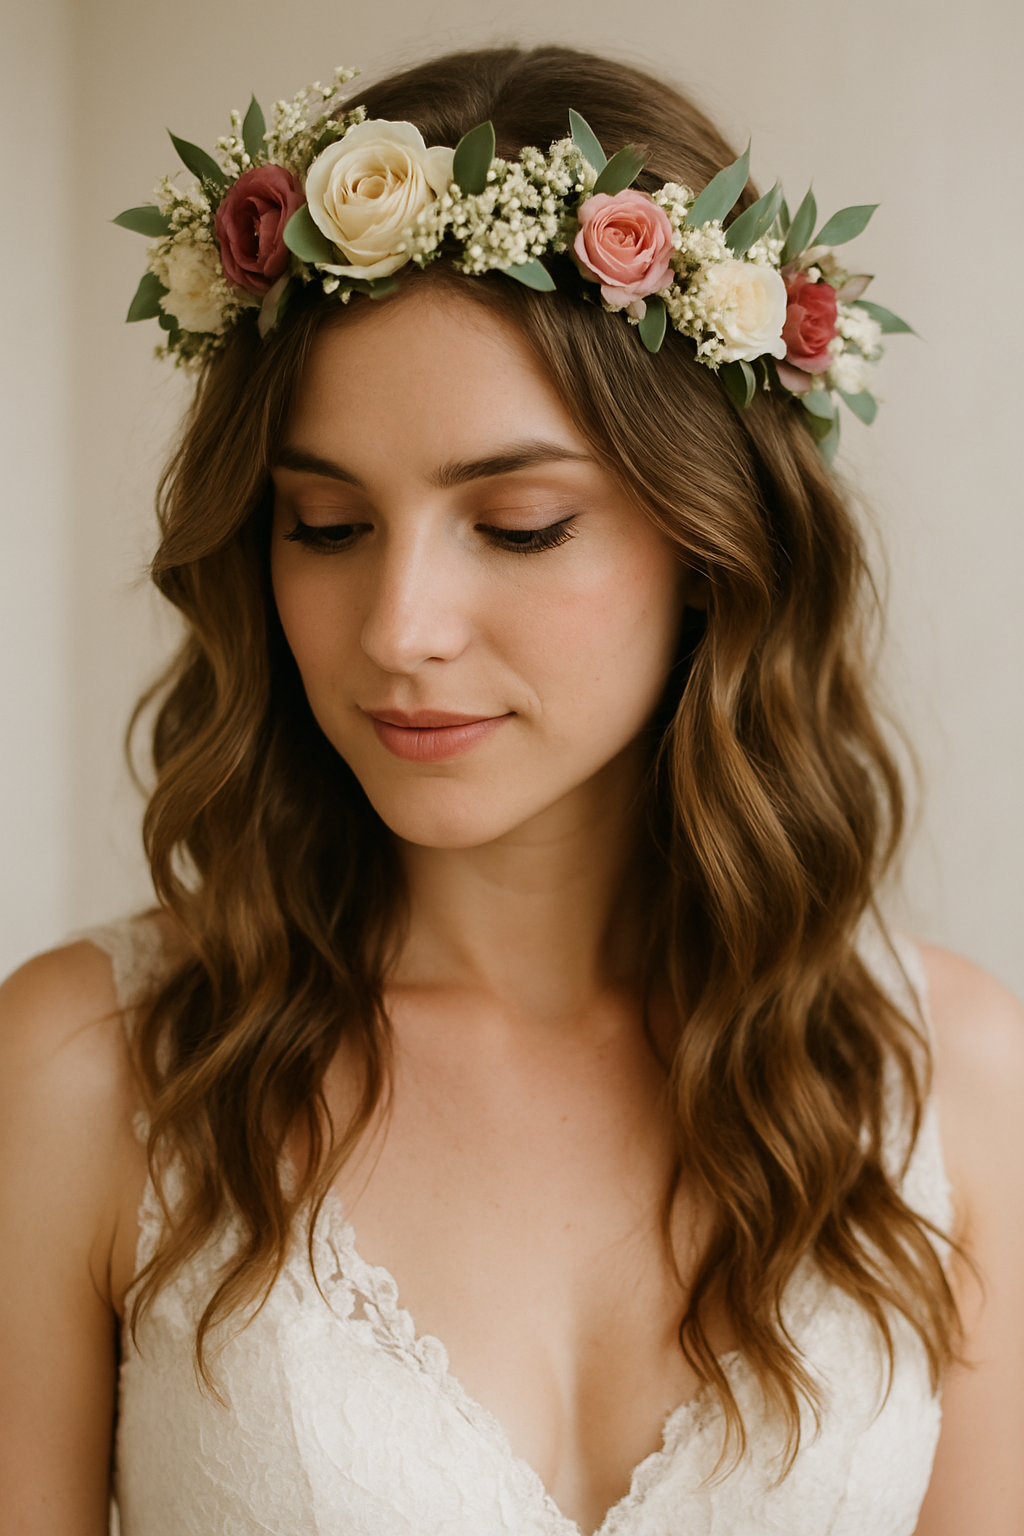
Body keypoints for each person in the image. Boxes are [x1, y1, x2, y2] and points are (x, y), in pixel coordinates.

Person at [1, 43, 1022, 1536]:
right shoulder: (88, 1073)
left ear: (710, 542)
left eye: (524, 525)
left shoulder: (951, 1086)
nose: (400, 628)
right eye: (329, 525)